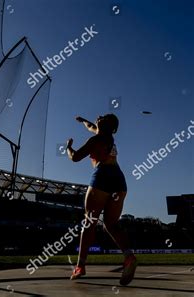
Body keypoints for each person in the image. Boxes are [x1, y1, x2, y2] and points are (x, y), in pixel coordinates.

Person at [66, 114, 137, 286]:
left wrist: (68, 148)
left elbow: (75, 157)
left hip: (102, 176)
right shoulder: (108, 136)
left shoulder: (95, 139)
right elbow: (91, 125)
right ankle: (129, 256)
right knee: (111, 225)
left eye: (101, 117)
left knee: (89, 222)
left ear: (104, 124)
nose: (98, 117)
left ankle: (80, 266)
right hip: (119, 181)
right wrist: (82, 121)